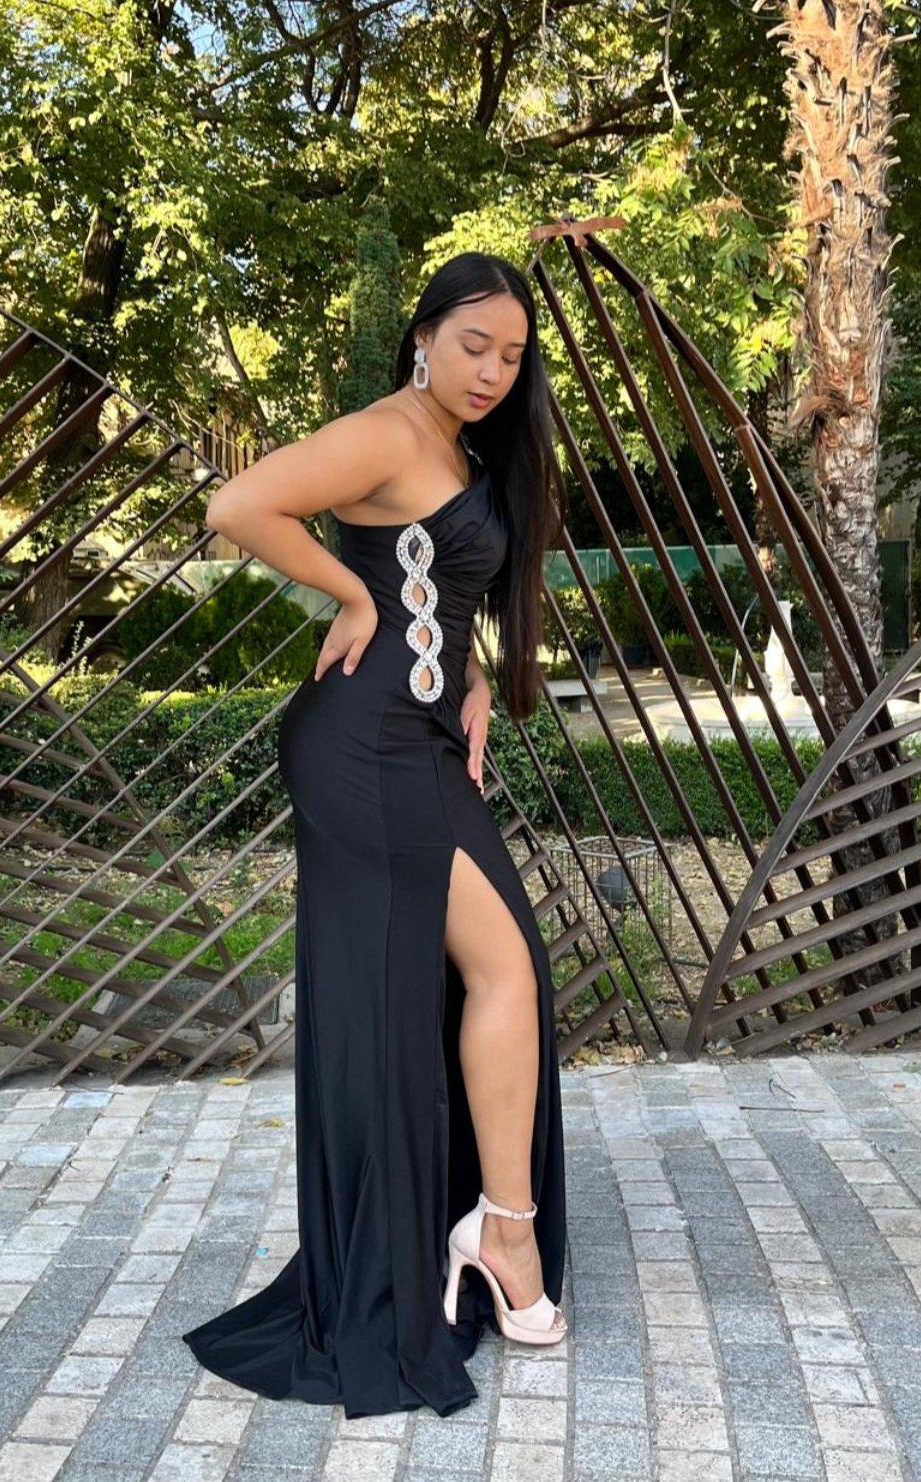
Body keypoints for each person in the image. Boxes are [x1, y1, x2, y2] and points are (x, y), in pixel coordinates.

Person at [183, 251, 570, 1419]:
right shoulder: (389, 434)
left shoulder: (459, 448)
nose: (493, 370)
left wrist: (475, 674)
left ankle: (480, 1225)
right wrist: (351, 597)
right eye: (474, 345)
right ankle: (499, 1235)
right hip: (364, 747)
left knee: (484, 978)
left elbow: (440, 585)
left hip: (422, 740)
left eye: (512, 355)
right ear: (424, 336)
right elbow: (238, 505)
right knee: (498, 972)